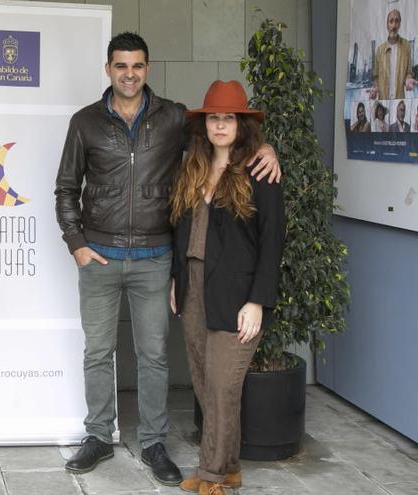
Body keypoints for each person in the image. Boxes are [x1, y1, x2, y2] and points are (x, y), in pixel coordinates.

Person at [54, 32, 281, 485]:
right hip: (99, 254)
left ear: (148, 69)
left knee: (154, 354)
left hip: (156, 256)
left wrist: (268, 149)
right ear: (108, 70)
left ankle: (154, 441)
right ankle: (99, 435)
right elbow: (65, 188)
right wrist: (76, 241)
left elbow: (227, 138)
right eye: (121, 66)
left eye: (137, 66)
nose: (129, 74)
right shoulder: (85, 123)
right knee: (98, 351)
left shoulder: (174, 118)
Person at [169, 80, 285, 495]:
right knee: (203, 379)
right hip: (194, 284)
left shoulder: (260, 169)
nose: (220, 125)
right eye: (214, 118)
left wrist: (258, 301)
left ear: (242, 124)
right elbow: (180, 229)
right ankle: (229, 467)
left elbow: (273, 241)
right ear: (204, 125)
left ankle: (213, 477)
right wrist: (176, 279)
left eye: (229, 118)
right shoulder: (193, 165)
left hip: (238, 293)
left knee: (223, 383)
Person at [371, 8, 415, 100]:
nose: (394, 25)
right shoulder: (380, 50)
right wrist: (375, 89)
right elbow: (376, 77)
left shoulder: (406, 46)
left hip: (399, 100)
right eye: (391, 21)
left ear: (400, 24)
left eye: (397, 21)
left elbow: (409, 72)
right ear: (387, 25)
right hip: (383, 101)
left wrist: (408, 80)